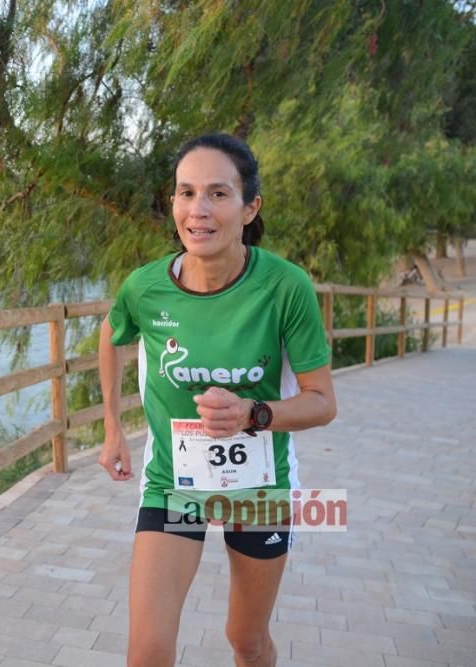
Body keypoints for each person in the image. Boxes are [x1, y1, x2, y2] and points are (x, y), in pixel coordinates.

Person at [98, 133, 337, 667]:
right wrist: (114, 426)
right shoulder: (145, 288)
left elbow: (323, 402)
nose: (197, 210)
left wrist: (255, 414)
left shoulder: (284, 287)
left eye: (217, 194)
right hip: (174, 487)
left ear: (250, 207)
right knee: (147, 654)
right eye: (185, 193)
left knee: (245, 642)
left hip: (257, 488)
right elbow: (113, 335)